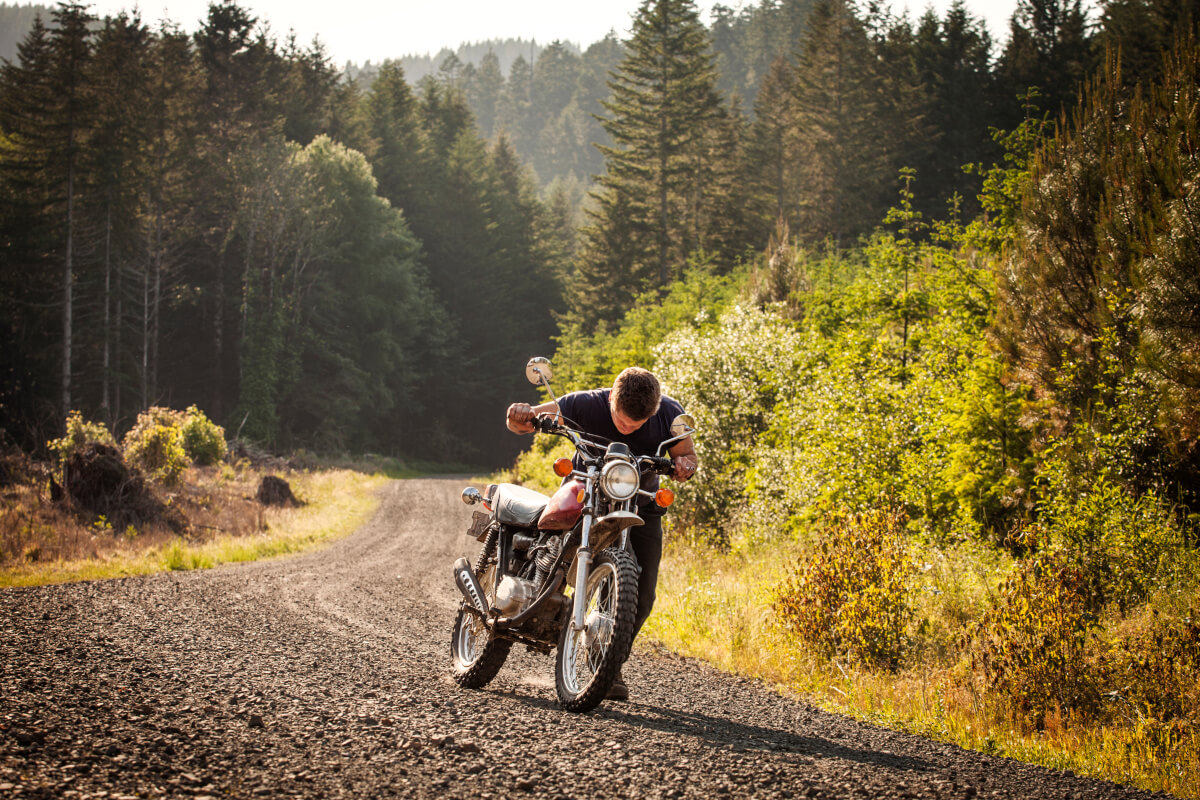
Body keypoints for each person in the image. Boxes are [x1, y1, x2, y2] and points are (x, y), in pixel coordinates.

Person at [505, 366, 698, 701]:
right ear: (611, 397)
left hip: (640, 504)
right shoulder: (584, 403)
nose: (626, 429)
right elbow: (522, 423)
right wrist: (521, 414)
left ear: (654, 411)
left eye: (635, 426)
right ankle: (530, 581)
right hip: (584, 494)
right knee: (549, 544)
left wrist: (686, 467)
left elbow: (686, 455)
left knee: (643, 593)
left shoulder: (669, 413)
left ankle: (607, 663)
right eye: (621, 421)